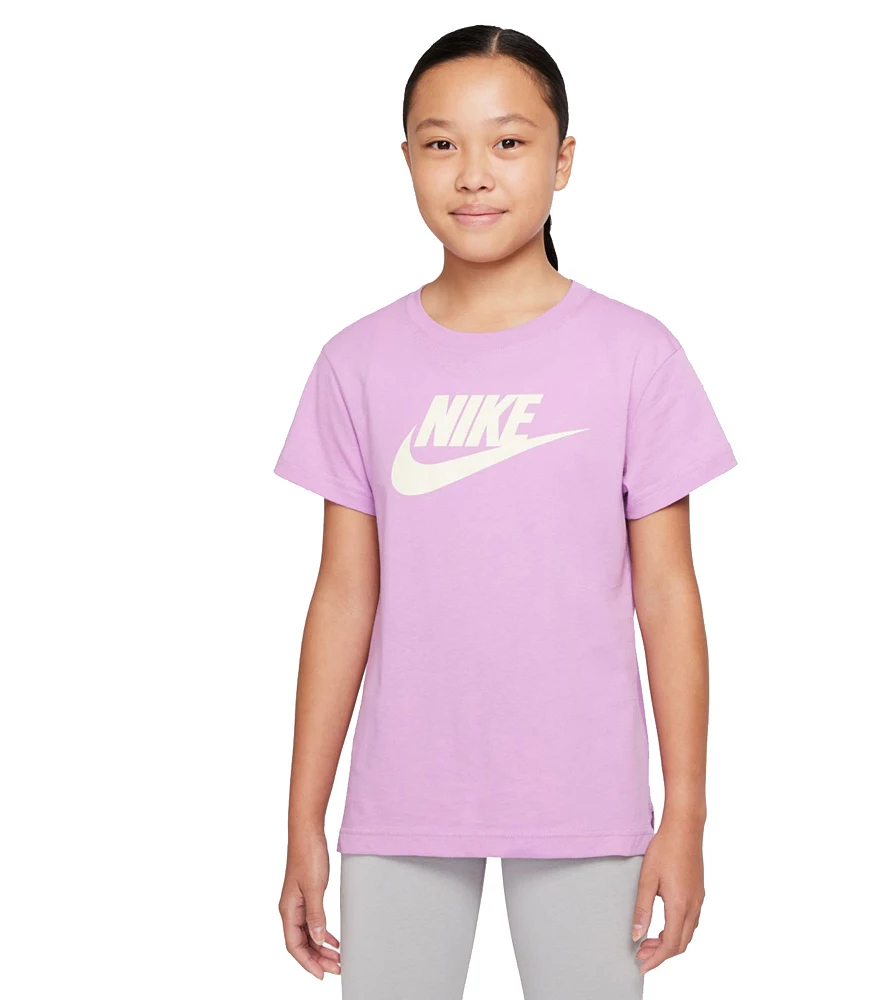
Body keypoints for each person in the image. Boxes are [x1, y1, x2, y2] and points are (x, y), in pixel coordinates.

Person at [274, 23, 738, 1000]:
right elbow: (343, 597)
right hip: (404, 796)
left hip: (585, 797)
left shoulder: (635, 355)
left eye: (510, 141)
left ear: (563, 161)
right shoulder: (357, 363)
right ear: (407, 159)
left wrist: (686, 811)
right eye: (441, 142)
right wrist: (302, 819)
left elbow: (667, 595)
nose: (474, 173)